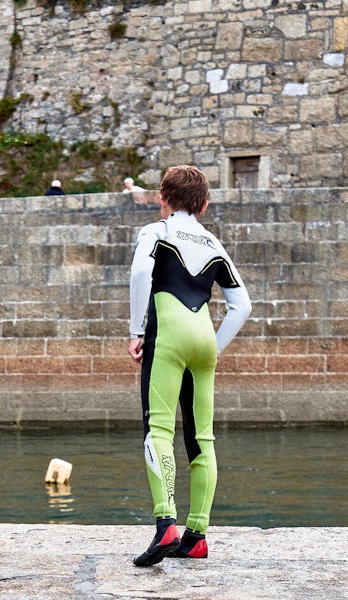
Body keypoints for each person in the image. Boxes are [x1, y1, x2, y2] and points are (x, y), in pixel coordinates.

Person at [128, 164, 251, 565]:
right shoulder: (214, 243)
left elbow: (142, 271)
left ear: (163, 198)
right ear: (205, 205)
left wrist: (136, 330)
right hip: (203, 338)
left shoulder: (156, 231)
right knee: (202, 439)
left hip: (168, 335)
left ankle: (166, 524)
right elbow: (242, 306)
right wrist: (214, 347)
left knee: (159, 431)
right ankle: (197, 535)